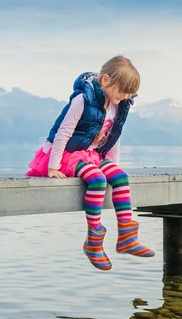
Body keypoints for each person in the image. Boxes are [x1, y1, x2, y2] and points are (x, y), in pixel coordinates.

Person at [25, 55, 154, 271]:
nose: (125, 97)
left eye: (129, 94)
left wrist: (113, 165)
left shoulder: (117, 104)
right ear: (106, 80)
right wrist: (53, 167)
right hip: (66, 154)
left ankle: (127, 237)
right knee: (97, 180)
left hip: (93, 154)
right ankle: (93, 242)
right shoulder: (82, 100)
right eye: (123, 91)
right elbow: (63, 133)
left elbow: (114, 136)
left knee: (120, 177)